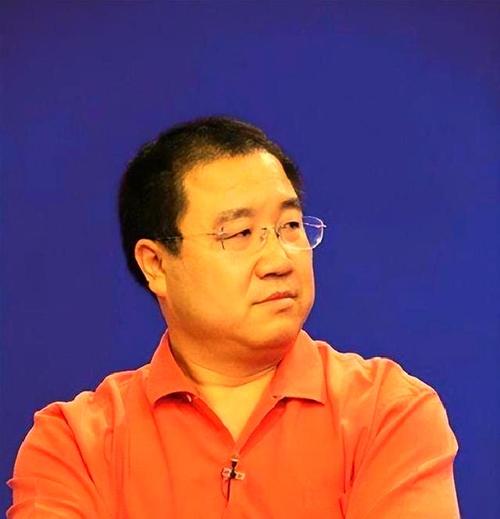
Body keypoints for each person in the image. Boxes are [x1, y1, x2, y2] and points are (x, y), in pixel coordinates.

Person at [8, 116, 460, 518]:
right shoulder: (76, 445)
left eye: (290, 227)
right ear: (156, 264)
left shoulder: (388, 412)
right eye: (240, 233)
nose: (278, 260)